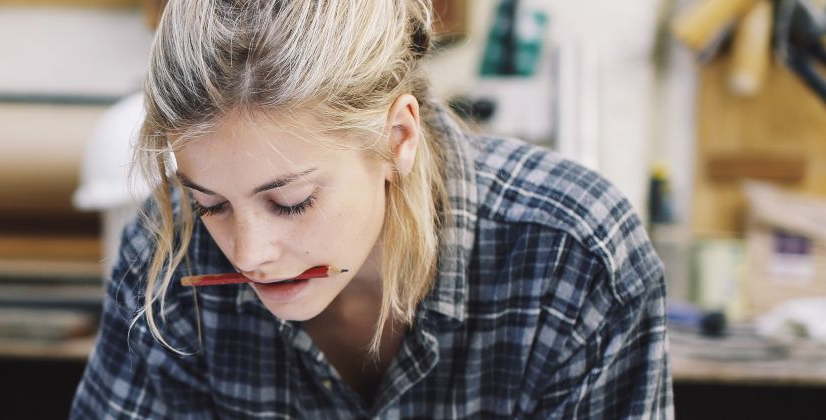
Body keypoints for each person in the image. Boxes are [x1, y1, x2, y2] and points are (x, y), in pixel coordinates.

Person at [69, 0, 671, 418]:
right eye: (211, 206)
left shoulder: (573, 258)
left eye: (291, 202)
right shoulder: (168, 255)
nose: (250, 255)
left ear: (397, 140)